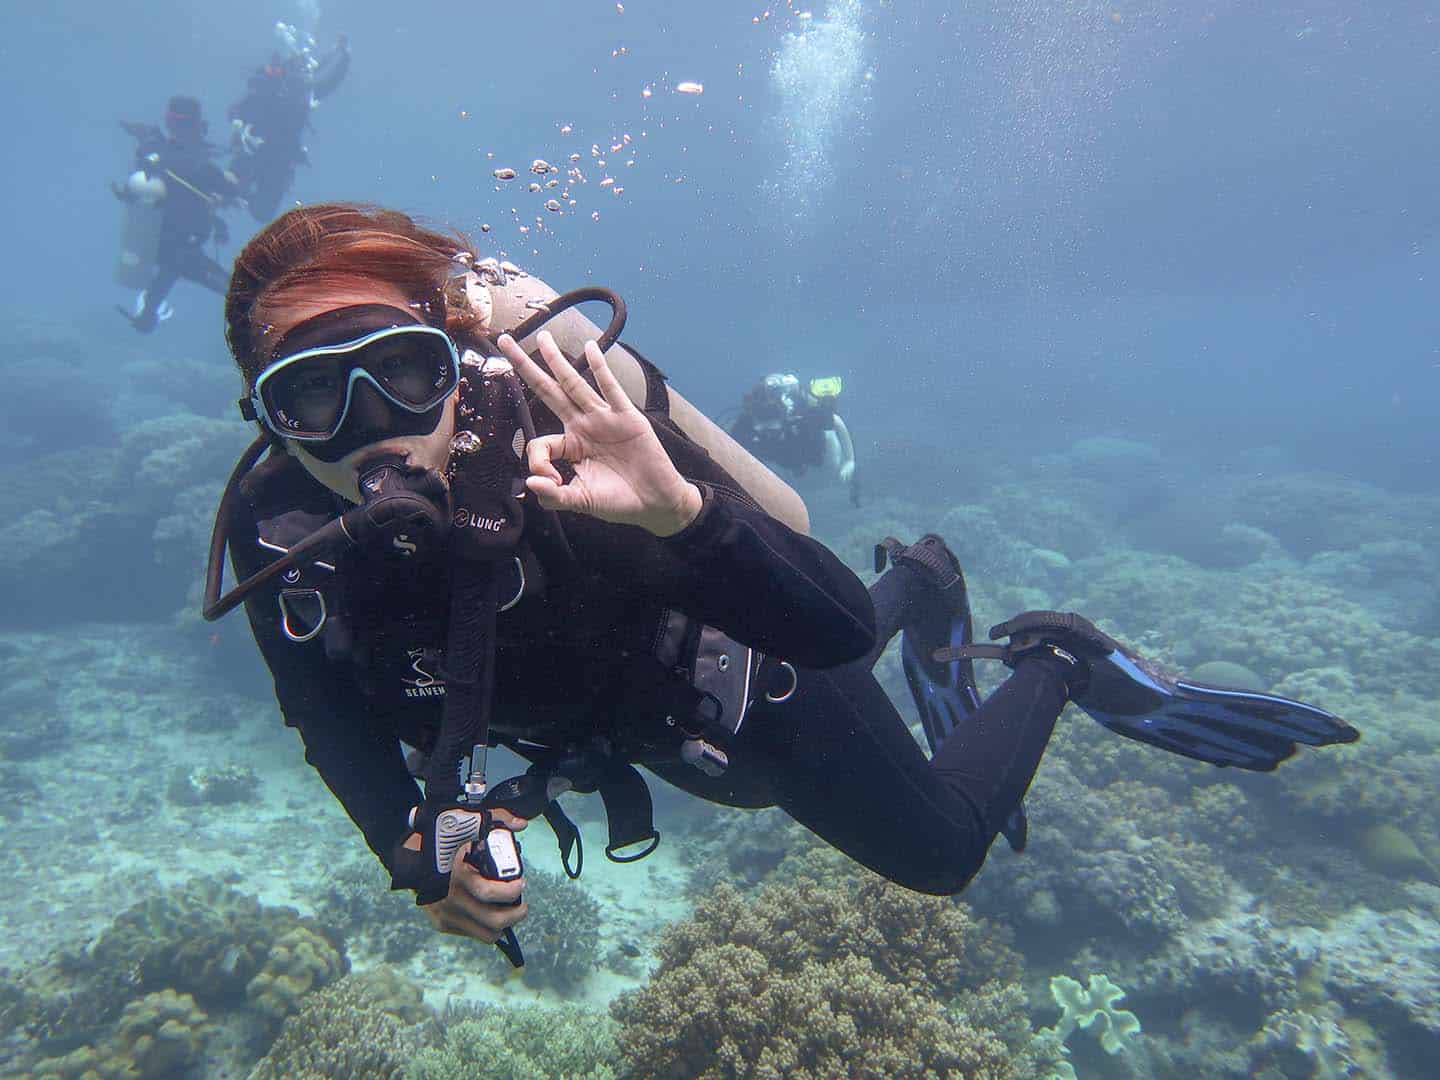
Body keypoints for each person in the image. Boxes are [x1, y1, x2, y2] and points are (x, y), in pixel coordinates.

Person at [204, 203, 1357, 949]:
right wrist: (416, 857)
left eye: (400, 372)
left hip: (751, 659)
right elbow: (323, 714)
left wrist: (679, 514)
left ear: (457, 363)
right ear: (266, 420)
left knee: (941, 852)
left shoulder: (559, 453)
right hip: (632, 726)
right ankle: (928, 572)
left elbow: (829, 629)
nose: (368, 433)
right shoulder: (280, 530)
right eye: (310, 394)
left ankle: (1058, 657)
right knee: (753, 777)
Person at [112, 96, 240, 333]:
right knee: (241, 292)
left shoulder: (152, 149)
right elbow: (228, 189)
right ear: (195, 124)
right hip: (180, 247)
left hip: (159, 244)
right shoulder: (197, 163)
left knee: (171, 272)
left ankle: (147, 314)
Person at [228, 23, 350, 222]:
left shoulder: (302, 93)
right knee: (238, 191)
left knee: (262, 211)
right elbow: (235, 112)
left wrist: (344, 56)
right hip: (257, 151)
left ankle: (236, 195)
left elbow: (330, 82)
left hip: (279, 158)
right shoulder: (266, 89)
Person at [730, 373, 859, 505]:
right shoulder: (747, 422)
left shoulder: (800, 415)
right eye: (764, 430)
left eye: (772, 430)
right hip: (785, 462)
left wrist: (849, 460)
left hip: (814, 454)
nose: (769, 434)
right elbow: (731, 447)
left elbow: (834, 420)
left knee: (829, 447)